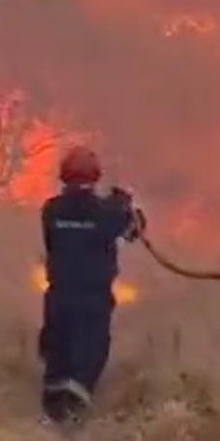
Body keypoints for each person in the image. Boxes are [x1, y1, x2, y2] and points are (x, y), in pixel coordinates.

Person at [39, 145, 144, 426]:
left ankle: (52, 415)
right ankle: (71, 419)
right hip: (92, 299)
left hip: (58, 296)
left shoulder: (51, 210)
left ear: (63, 176)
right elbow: (135, 230)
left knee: (57, 353)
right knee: (88, 353)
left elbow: (53, 241)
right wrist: (125, 204)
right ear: (96, 176)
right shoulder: (107, 212)